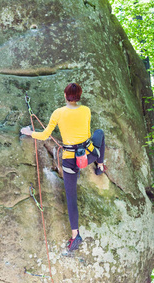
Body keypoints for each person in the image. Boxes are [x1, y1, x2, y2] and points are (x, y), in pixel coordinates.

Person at [21, 83, 105, 251]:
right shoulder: (86, 110)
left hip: (70, 160)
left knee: (71, 197)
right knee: (100, 133)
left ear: (65, 95)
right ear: (79, 96)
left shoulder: (58, 113)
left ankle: (75, 236)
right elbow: (88, 133)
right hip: (88, 155)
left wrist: (29, 132)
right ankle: (100, 166)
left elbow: (45, 135)